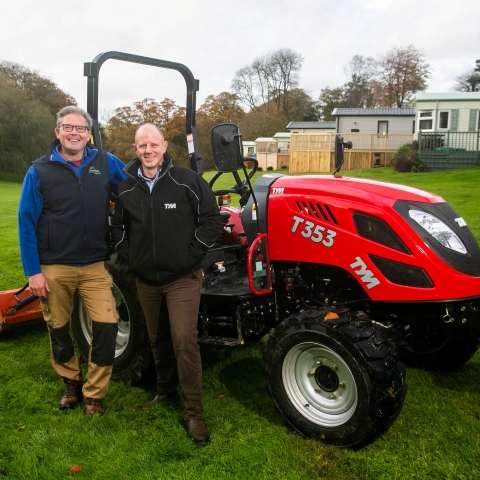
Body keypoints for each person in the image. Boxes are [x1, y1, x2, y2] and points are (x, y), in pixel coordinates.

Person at [110, 123, 222, 446]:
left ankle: (193, 413)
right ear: (135, 149)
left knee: (184, 339)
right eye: (142, 146)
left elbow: (212, 218)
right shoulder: (126, 187)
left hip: (181, 278)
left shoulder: (185, 180)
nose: (148, 151)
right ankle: (164, 391)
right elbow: (117, 227)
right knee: (157, 338)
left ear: (164, 146)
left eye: (153, 145)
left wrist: (193, 254)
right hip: (146, 279)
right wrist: (130, 258)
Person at [18, 106, 126, 416]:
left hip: (94, 265)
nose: (74, 133)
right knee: (59, 328)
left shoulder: (105, 163)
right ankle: (70, 382)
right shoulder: (39, 171)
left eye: (80, 128)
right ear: (58, 132)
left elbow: (132, 189)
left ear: (89, 133)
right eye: (68, 127)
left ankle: (94, 394)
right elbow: (26, 221)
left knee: (107, 326)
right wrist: (33, 272)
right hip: (54, 267)